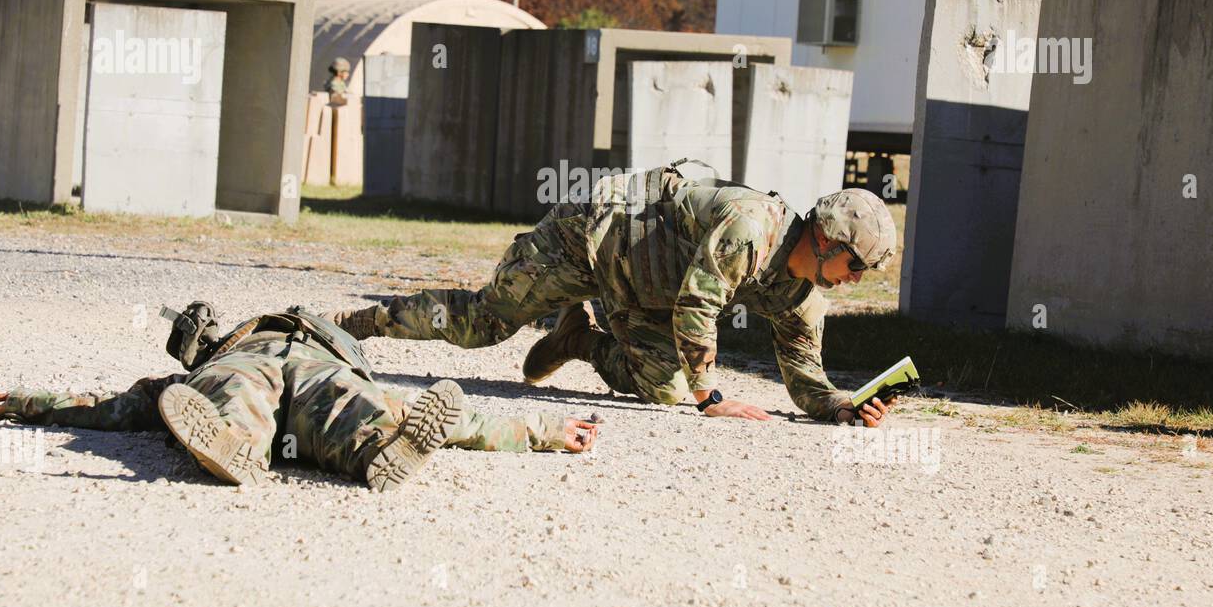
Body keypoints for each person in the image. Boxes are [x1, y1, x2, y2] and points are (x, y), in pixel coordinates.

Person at [325, 161, 900, 426]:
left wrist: (841, 406)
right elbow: (698, 307)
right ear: (826, 239)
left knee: (666, 391)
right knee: (484, 324)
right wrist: (713, 396)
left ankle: (578, 340)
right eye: (854, 264)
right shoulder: (753, 228)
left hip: (642, 293)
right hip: (594, 237)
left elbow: (803, 369)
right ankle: (358, 322)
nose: (854, 279)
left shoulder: (804, 293)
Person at [0, 303, 597, 491]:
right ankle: (237, 448)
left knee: (367, 407)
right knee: (240, 396)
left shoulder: (252, 347)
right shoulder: (218, 362)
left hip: (324, 370)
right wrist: (25, 403)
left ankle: (380, 452)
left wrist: (545, 430)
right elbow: (106, 406)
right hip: (266, 370)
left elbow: (107, 408)